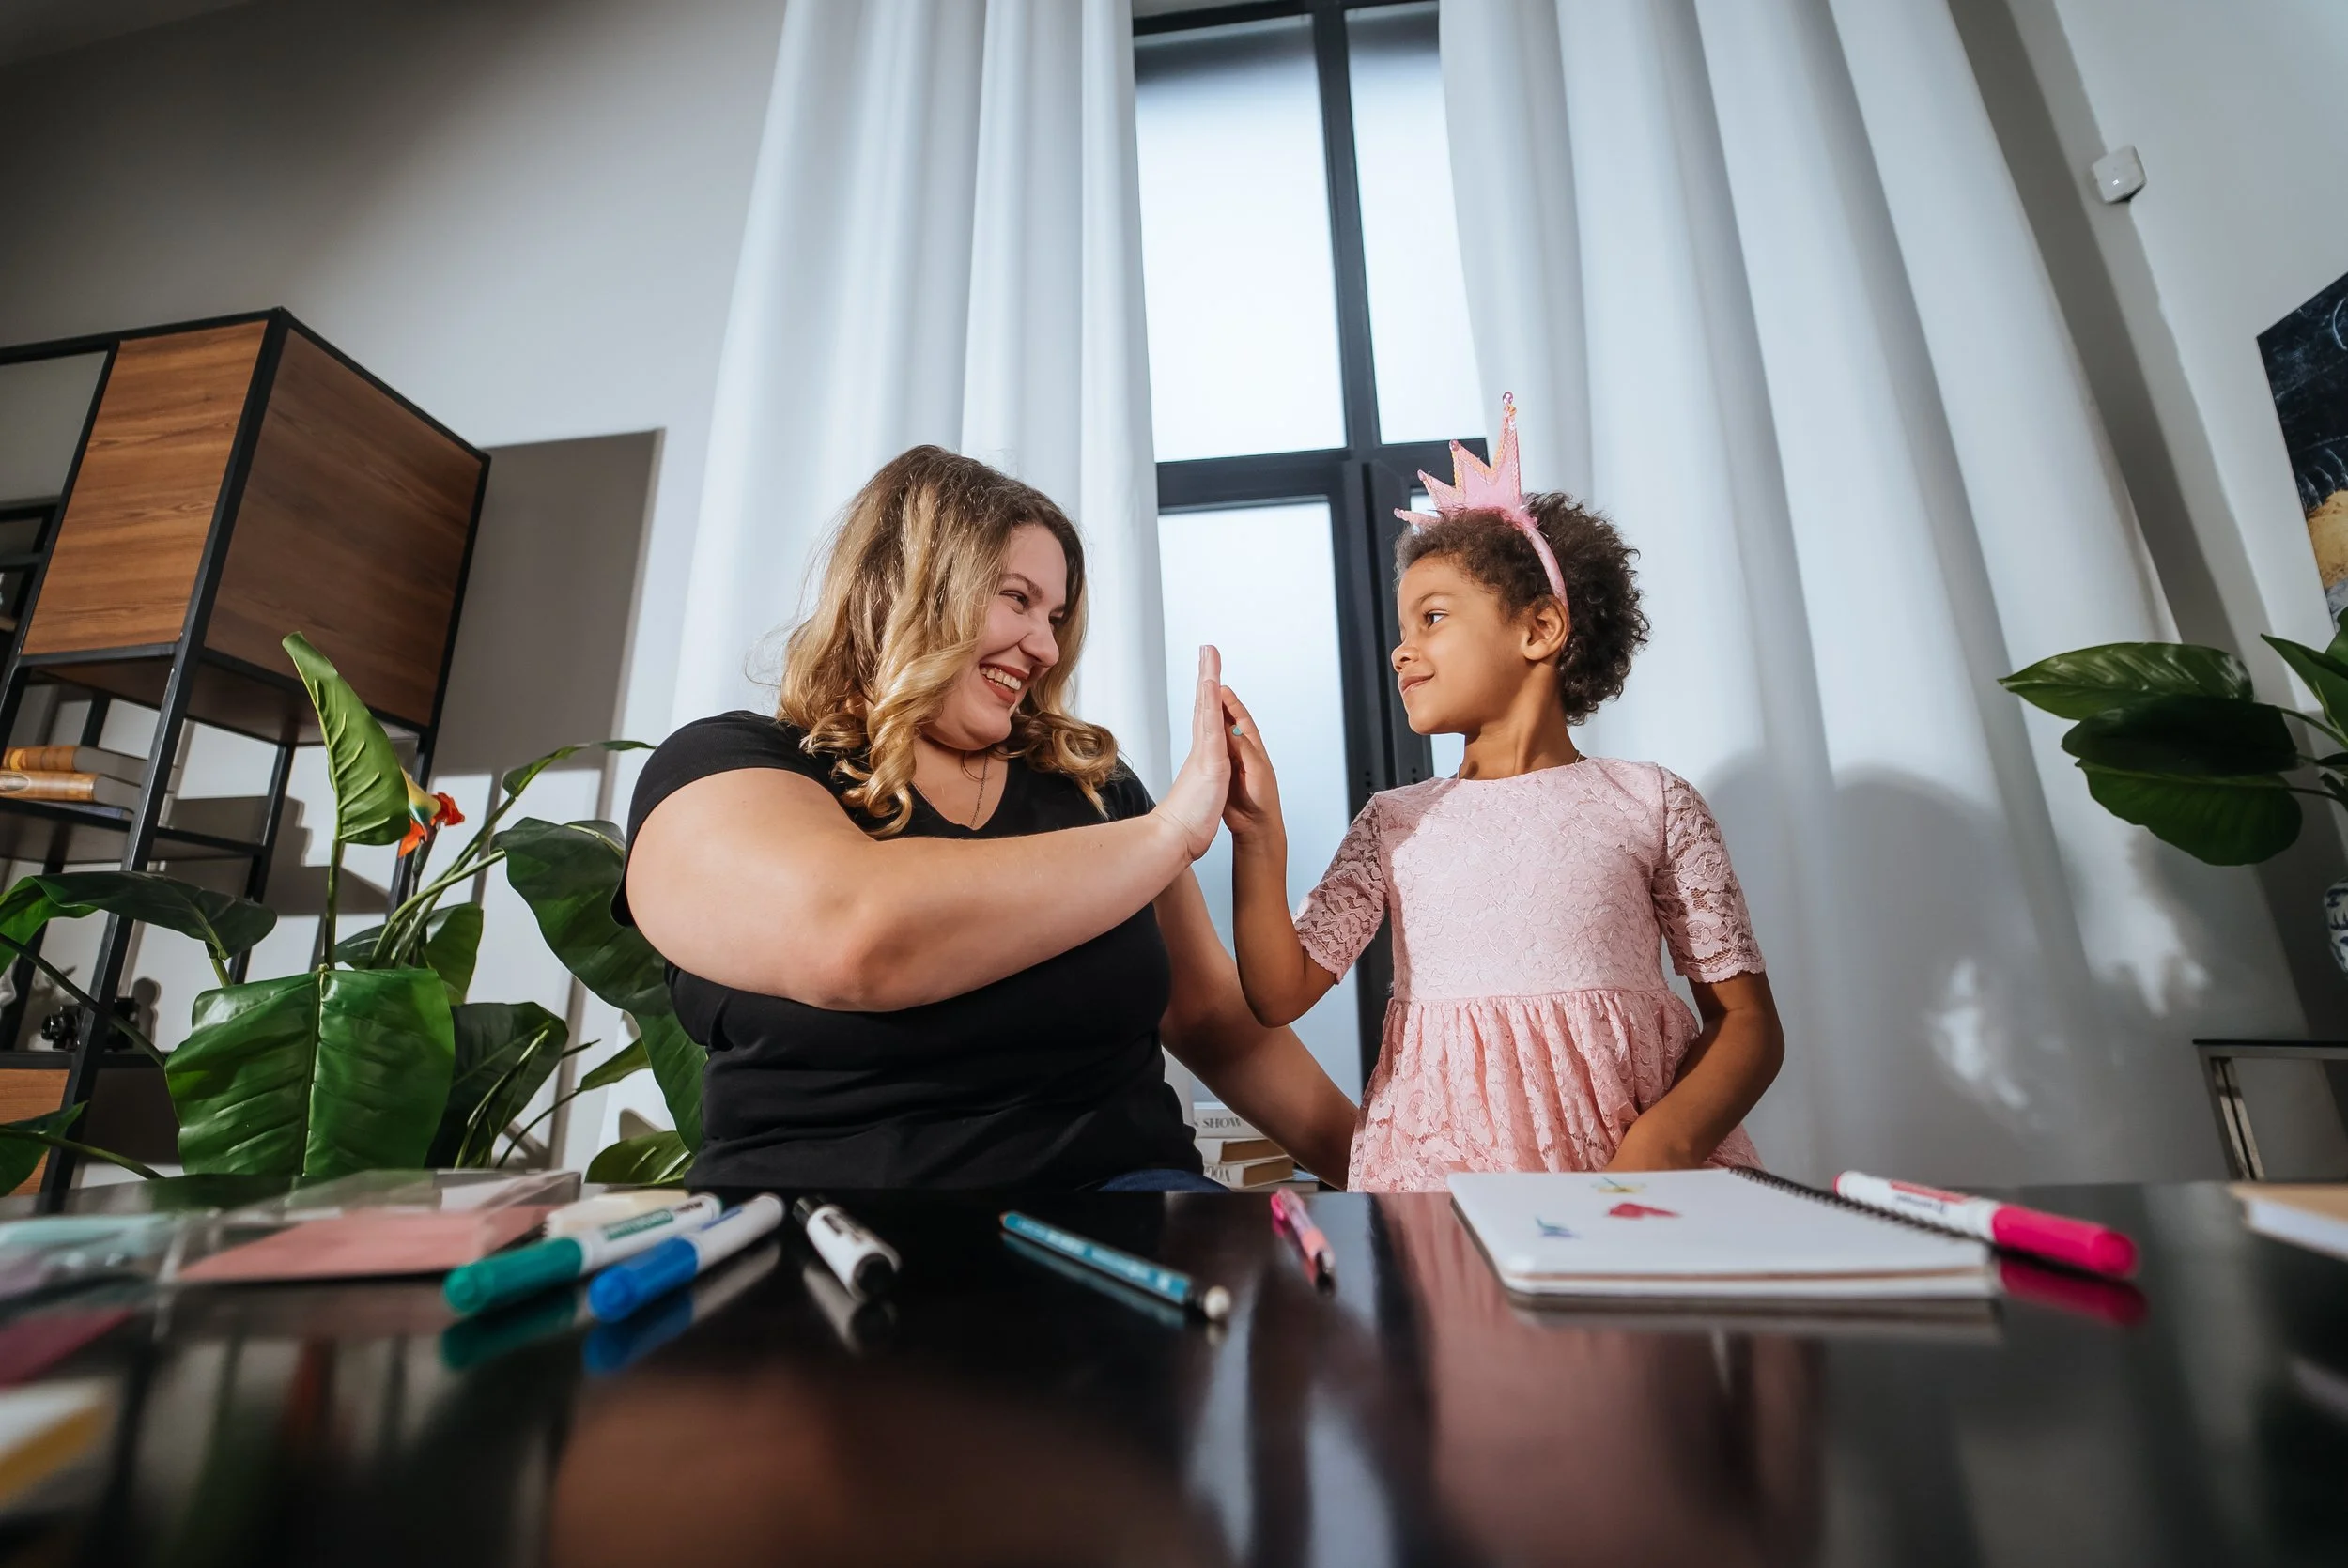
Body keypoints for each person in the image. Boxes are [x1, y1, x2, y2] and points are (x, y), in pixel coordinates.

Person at [620, 445, 1357, 1190]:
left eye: (1057, 616)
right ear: (910, 588)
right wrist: (1171, 834)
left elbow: (1217, 1028)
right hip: (823, 1238)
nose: (1044, 647)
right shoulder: (725, 766)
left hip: (1122, 1220)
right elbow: (853, 936)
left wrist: (1398, 1176)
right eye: (1016, 599)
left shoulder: (1098, 792)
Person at [1219, 396, 1783, 1192]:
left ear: (1540, 629)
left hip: (1634, 1185)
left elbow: (1748, 1025)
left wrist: (1656, 1153)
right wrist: (1258, 837)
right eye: (1403, 627)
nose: (1401, 650)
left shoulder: (1652, 803)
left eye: (1433, 618)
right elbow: (1277, 993)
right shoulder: (1394, 824)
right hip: (1443, 1186)